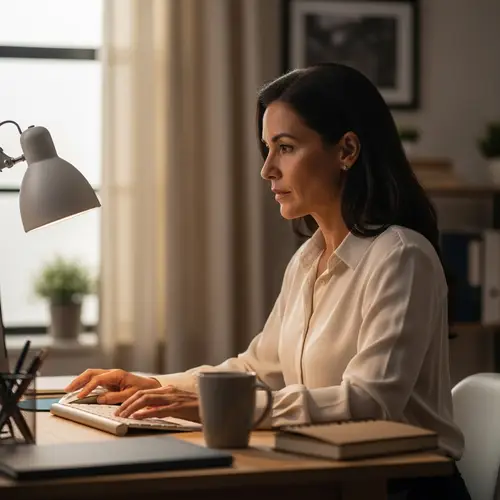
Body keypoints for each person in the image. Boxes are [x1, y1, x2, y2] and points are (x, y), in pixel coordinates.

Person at [66, 63, 471, 499]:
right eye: (268, 148)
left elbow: (369, 400)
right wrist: (156, 384)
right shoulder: (308, 259)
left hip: (404, 485)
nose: (268, 170)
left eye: (286, 147)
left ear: (347, 150)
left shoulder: (401, 256)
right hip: (329, 474)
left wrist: (224, 411)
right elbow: (257, 369)